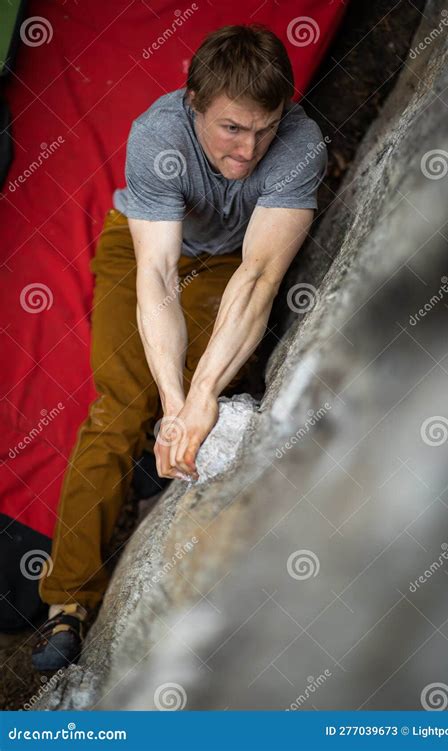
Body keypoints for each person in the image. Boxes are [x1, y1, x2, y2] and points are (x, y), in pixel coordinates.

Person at [32, 23, 327, 670]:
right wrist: (172, 402)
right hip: (145, 251)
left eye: (264, 128)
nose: (248, 151)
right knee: (121, 406)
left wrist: (198, 398)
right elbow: (157, 276)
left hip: (227, 260)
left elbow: (258, 276)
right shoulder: (157, 135)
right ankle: (68, 601)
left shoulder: (302, 145)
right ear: (193, 102)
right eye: (230, 129)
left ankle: (159, 460)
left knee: (210, 386)